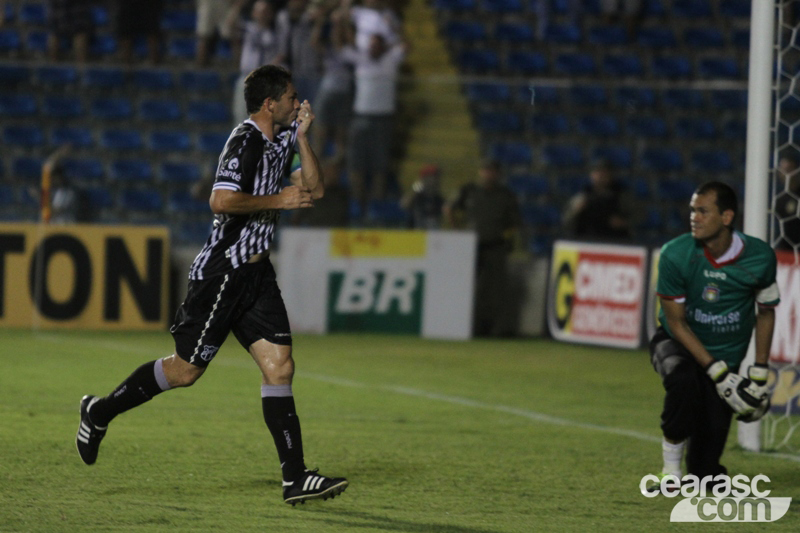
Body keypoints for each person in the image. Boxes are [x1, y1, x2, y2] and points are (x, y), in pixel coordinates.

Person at [75, 65, 349, 506]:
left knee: (280, 367)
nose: (297, 102)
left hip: (257, 275)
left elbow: (314, 190)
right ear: (269, 104)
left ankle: (295, 478)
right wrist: (277, 199)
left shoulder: (284, 139)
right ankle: (99, 410)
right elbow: (220, 200)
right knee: (186, 371)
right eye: (291, 97)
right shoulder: (244, 141)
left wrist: (302, 136)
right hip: (223, 273)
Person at [647, 182, 779, 492]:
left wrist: (759, 373)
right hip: (677, 341)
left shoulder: (760, 257)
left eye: (703, 211)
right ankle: (670, 473)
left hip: (726, 354)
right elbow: (676, 322)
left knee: (705, 473)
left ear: (726, 217)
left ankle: (702, 471)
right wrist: (717, 372)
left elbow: (766, 312)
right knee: (681, 379)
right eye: (693, 210)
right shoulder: (675, 254)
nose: (694, 217)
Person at [445, 159, 521, 336]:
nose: (489, 174)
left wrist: (506, 239)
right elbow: (449, 208)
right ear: (480, 171)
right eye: (486, 170)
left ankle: (494, 329)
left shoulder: (506, 195)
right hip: (471, 246)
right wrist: (457, 231)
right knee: (467, 288)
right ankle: (466, 326)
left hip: (495, 246)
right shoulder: (469, 190)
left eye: (492, 171)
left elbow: (515, 222)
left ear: (498, 174)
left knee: (495, 290)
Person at [341, 32, 407, 206]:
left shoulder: (391, 59)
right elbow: (340, 48)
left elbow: (406, 45)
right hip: (361, 116)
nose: (373, 48)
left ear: (383, 47)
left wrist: (393, 27)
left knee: (380, 164)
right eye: (371, 45)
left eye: (377, 45)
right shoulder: (361, 58)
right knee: (356, 162)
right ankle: (357, 203)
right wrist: (341, 25)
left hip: (383, 119)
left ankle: (376, 205)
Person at [228, 0, 281, 126]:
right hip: (247, 78)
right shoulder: (247, 29)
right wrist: (237, 7)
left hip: (265, 82)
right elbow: (230, 26)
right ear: (253, 13)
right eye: (259, 11)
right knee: (241, 118)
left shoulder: (275, 34)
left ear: (271, 14)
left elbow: (280, 56)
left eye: (265, 11)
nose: (262, 14)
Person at [562, 158, 632, 240]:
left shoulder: (621, 195)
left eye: (605, 173)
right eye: (597, 172)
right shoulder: (582, 195)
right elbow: (566, 221)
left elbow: (637, 217)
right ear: (591, 175)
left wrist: (623, 222)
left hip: (614, 240)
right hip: (586, 240)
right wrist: (576, 210)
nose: (601, 176)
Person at [401, 163, 444, 229]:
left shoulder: (438, 198)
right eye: (434, 177)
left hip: (433, 232)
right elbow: (404, 205)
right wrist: (415, 189)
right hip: (416, 230)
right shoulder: (417, 195)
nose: (436, 180)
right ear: (425, 178)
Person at [774, 152, 800, 251]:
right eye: (782, 170)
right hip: (785, 250)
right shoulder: (779, 198)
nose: (784, 174)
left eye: (788, 169)